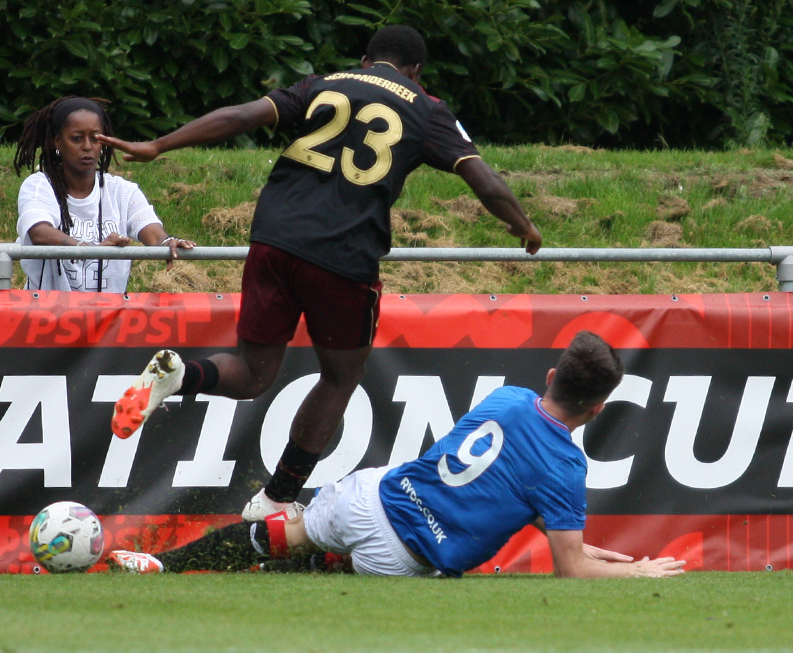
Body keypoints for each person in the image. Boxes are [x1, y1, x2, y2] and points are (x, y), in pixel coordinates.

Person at [102, 25, 542, 520]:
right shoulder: (426, 107)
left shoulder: (323, 83)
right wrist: (522, 224)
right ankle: (276, 498)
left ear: (365, 58)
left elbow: (242, 115)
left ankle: (181, 375)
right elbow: (479, 174)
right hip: (343, 253)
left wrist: (159, 145)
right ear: (415, 71)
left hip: (273, 237)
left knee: (251, 372)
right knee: (340, 378)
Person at [107, 331, 687, 579]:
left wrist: (573, 538)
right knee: (337, 568)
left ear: (553, 375)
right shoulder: (565, 468)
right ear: (599, 409)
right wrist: (642, 570)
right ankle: (318, 564)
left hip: (370, 494)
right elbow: (569, 569)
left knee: (290, 534)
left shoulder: (507, 397)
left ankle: (169, 565)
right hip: (404, 554)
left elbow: (508, 483)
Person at [13, 96, 195, 292]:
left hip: (108, 318)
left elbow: (153, 233)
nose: (87, 146)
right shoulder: (39, 185)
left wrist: (168, 242)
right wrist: (91, 248)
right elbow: (39, 232)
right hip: (47, 316)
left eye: (95, 138)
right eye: (76, 138)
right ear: (57, 142)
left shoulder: (123, 191)